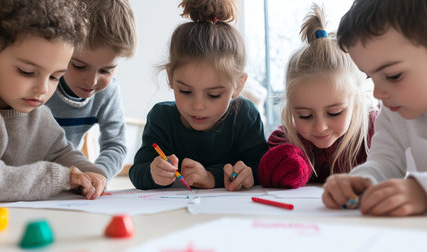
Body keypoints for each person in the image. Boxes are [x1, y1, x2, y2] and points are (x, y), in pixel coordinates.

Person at [129, 0, 268, 191]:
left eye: (213, 95)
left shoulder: (245, 115)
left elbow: (261, 168)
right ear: (170, 77)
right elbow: (137, 171)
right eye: (185, 91)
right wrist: (153, 173)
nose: (198, 106)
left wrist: (214, 177)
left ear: (238, 86)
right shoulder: (162, 118)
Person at [322, 0, 427, 216]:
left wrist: (426, 192)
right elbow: (385, 160)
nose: (377, 93)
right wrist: (362, 181)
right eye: (370, 77)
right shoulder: (396, 109)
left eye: (393, 76)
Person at [0, 0, 107, 202]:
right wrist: (60, 178)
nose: (43, 89)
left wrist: (90, 174)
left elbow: (61, 153)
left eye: (55, 77)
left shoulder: (40, 115)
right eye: (27, 72)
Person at [258, 4, 378, 189]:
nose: (320, 127)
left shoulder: (378, 133)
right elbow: (268, 176)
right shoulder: (285, 140)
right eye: (305, 115)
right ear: (291, 109)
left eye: (335, 112)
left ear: (356, 102)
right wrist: (293, 167)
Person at [45, 0, 137, 180]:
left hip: (68, 182)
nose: (92, 81)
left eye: (106, 70)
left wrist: (98, 175)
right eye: (79, 66)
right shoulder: (41, 86)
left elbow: (115, 146)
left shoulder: (108, 92)